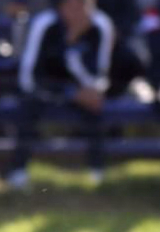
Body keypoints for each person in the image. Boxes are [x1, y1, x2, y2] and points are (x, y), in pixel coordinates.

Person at [7, 0, 118, 188]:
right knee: (27, 110)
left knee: (95, 109)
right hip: (44, 89)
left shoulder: (100, 24)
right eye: (72, 5)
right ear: (61, 6)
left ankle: (97, 175)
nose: (79, 10)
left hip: (83, 90)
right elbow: (28, 77)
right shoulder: (45, 24)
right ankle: (18, 172)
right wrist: (68, 93)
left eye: (83, 4)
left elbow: (100, 76)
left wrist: (73, 52)